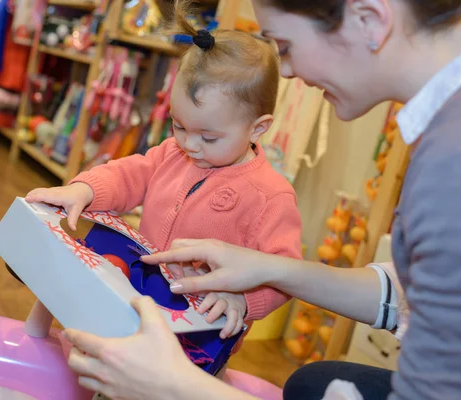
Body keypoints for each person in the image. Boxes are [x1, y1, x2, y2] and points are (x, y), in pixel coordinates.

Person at [60, 0, 461, 399]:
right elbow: (406, 294)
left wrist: (180, 383)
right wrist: (86, 188)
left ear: (369, 19)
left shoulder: (456, 161)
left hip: (194, 341)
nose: (290, 73)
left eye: (286, 46)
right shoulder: (452, 138)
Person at [26, 2, 302, 341]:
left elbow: (286, 272)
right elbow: (129, 175)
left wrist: (243, 299)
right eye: (179, 125)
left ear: (258, 129)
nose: (190, 144)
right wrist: (83, 190)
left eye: (209, 137)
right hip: (139, 302)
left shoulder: (270, 197)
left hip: (197, 333)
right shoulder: (172, 153)